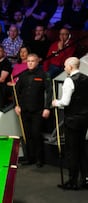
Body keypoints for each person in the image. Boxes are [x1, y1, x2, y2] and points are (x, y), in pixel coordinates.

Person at [52, 57, 88, 190]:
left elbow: (65, 102)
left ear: (71, 67)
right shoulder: (86, 78)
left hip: (72, 120)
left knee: (72, 151)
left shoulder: (69, 80)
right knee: (82, 149)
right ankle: (85, 179)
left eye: (65, 66)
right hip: (84, 119)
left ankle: (73, 181)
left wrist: (56, 102)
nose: (64, 68)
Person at [14, 53, 53, 168]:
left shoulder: (44, 74)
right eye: (28, 61)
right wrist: (16, 105)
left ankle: (39, 159)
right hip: (24, 110)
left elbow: (49, 92)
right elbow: (16, 92)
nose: (30, 63)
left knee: (36, 134)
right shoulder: (23, 75)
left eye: (32, 61)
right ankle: (29, 158)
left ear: (37, 62)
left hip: (38, 110)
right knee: (27, 135)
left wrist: (47, 108)